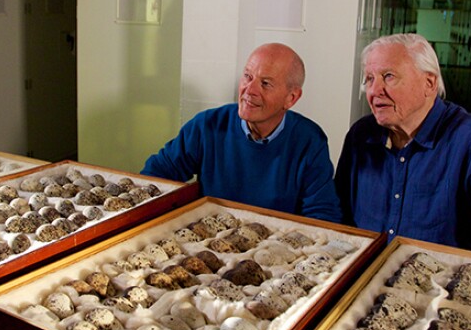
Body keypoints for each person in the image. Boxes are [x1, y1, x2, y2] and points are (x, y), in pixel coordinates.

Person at [334, 33, 471, 263]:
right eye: (370, 79)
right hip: (364, 280)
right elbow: (337, 217)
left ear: (429, 83)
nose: (374, 91)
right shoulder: (361, 135)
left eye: (388, 76)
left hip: (439, 288)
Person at [142, 43, 342, 223]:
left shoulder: (310, 141)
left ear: (291, 98)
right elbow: (154, 176)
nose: (249, 90)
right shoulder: (207, 126)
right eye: (247, 76)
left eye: (265, 84)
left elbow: (323, 216)